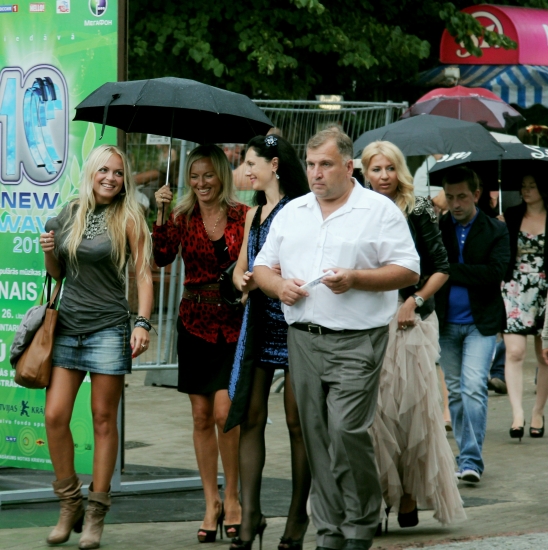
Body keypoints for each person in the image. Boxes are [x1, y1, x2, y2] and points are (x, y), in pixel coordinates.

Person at [253, 127, 421, 550]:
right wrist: (278, 288)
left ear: (349, 167)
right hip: (303, 338)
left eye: (325, 164)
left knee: (347, 431)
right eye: (310, 165)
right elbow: (261, 269)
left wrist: (357, 279)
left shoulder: (378, 210)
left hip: (357, 340)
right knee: (315, 435)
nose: (315, 173)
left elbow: (408, 270)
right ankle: (329, 532)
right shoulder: (293, 211)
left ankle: (360, 522)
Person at [40, 145, 153, 549]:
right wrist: (50, 253)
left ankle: (96, 513)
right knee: (54, 416)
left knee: (104, 420)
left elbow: (142, 276)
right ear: (90, 172)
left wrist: (141, 322)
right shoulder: (69, 213)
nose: (111, 178)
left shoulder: (129, 217)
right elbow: (58, 274)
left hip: (108, 328)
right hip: (68, 326)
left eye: (119, 173)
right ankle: (69, 502)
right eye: (104, 170)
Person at [362, 141, 465, 528]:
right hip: (366, 320)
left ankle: (406, 493)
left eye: (390, 168)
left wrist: (415, 301)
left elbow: (441, 267)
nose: (384, 176)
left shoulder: (418, 207)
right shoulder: (356, 207)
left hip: (410, 323)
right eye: (376, 169)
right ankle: (374, 497)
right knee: (372, 416)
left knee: (407, 416)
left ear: (400, 171)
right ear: (366, 172)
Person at [153, 144, 248, 543]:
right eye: (194, 175)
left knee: (225, 412)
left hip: (233, 322)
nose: (201, 183)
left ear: (222, 176)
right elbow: (161, 258)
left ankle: (234, 497)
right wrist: (159, 213)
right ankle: (211, 500)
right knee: (200, 415)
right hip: (193, 321)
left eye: (208, 175)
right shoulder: (180, 214)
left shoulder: (244, 215)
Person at [225, 134, 311, 550]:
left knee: (298, 423)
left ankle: (297, 518)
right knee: (251, 418)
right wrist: (240, 279)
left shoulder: (301, 210)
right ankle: (250, 517)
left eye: (251, 162)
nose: (245, 170)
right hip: (260, 321)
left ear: (274, 165)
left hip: (297, 321)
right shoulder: (252, 214)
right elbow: (241, 268)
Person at [437, 166, 510, 483]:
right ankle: (465, 456)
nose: (455, 204)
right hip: (446, 324)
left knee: (473, 388)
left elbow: (495, 274)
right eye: (450, 197)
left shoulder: (495, 230)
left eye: (462, 197)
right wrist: (458, 271)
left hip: (481, 323)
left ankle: (471, 461)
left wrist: (450, 271)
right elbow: (430, 269)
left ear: (476, 195)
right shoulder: (439, 227)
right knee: (454, 392)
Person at [500, 174, 548, 438]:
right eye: (524, 186)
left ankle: (537, 412)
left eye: (532, 185)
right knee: (515, 351)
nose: (526, 190)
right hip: (515, 288)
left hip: (546, 290)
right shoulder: (511, 214)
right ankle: (517, 413)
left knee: (545, 356)